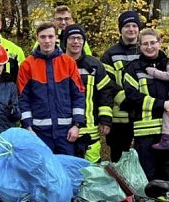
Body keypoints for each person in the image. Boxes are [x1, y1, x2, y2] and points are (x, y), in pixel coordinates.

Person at [122, 28, 169, 184]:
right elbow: (132, 97)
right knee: (148, 180)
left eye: (153, 43)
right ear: (139, 46)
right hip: (145, 135)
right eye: (145, 44)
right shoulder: (133, 68)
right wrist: (162, 104)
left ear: (160, 43)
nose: (149, 47)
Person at [17, 23, 85, 154]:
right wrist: (28, 127)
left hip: (66, 132)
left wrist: (77, 125)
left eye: (50, 36)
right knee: (42, 171)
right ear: (37, 38)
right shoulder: (27, 65)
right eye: (43, 37)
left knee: (67, 170)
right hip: (39, 132)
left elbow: (78, 94)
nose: (47, 41)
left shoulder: (68, 63)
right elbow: (22, 98)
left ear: (56, 38)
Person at [62, 25, 114, 162]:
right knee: (68, 170)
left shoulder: (94, 65)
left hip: (90, 128)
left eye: (79, 38)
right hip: (64, 128)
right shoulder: (57, 64)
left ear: (84, 42)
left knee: (92, 173)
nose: (76, 42)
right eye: (72, 38)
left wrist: (105, 120)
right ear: (65, 41)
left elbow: (105, 92)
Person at [100, 10, 142, 161]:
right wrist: (127, 101)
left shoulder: (147, 50)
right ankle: (118, 185)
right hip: (119, 117)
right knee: (118, 158)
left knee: (144, 157)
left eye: (134, 25)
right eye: (127, 26)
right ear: (121, 29)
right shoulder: (110, 54)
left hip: (143, 115)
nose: (131, 29)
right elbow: (107, 84)